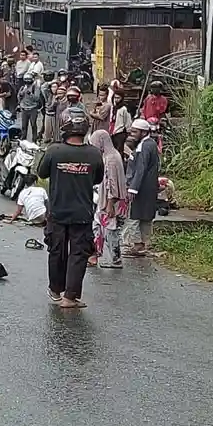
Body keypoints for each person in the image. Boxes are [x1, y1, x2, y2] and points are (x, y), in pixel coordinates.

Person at [37, 112, 103, 309]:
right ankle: (70, 297)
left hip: (57, 212)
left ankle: (55, 290)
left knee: (56, 250)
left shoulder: (54, 151)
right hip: (82, 213)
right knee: (78, 254)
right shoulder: (94, 153)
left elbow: (41, 173)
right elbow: (98, 179)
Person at [90, 129, 127, 268]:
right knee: (100, 227)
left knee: (110, 230)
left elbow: (112, 183)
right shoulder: (112, 155)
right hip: (109, 201)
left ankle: (115, 259)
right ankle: (95, 255)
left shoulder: (111, 159)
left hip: (110, 202)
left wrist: (110, 204)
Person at [124, 118, 160, 257]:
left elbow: (141, 168)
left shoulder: (145, 146)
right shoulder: (150, 144)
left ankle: (137, 244)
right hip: (148, 185)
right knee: (145, 215)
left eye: (135, 131)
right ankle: (143, 243)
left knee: (135, 215)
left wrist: (133, 188)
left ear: (144, 132)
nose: (132, 133)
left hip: (142, 186)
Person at [17, 74, 42, 142]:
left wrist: (30, 94)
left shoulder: (35, 87)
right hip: (24, 109)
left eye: (29, 81)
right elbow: (18, 98)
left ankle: (34, 140)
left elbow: (36, 98)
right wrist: (20, 95)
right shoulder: (22, 87)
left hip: (33, 108)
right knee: (24, 126)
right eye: (26, 81)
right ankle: (23, 140)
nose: (27, 83)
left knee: (33, 124)